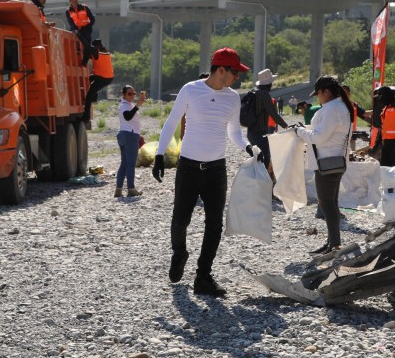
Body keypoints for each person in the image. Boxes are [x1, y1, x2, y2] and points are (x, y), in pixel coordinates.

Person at [153, 47, 254, 297]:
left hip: (216, 169)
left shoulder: (232, 98)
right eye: (234, 73)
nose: (237, 78)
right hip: (188, 167)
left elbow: (234, 134)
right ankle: (179, 252)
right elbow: (172, 121)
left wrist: (249, 147)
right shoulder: (190, 90)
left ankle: (203, 277)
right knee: (180, 220)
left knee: (214, 225)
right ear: (221, 70)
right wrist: (158, 154)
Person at [295, 76, 354, 256]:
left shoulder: (332, 109)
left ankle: (334, 245)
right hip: (335, 161)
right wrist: (305, 130)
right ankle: (332, 242)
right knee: (331, 203)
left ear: (326, 92)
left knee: (326, 204)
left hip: (327, 163)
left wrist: (299, 131)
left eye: (318, 94)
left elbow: (320, 137)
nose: (317, 98)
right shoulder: (339, 107)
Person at [246, 69, 288, 171]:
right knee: (265, 159)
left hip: (250, 132)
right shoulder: (263, 94)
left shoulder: (253, 92)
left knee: (257, 158)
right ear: (268, 83)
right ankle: (263, 183)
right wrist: (286, 126)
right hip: (259, 134)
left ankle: (257, 181)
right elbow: (273, 113)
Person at [115, 85, 147, 198]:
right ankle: (131, 188)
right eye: (129, 93)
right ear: (123, 95)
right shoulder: (124, 105)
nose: (132, 95)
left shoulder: (129, 105)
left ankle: (118, 190)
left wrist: (139, 135)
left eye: (133, 93)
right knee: (130, 164)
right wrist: (138, 105)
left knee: (124, 163)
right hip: (129, 135)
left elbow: (131, 121)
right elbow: (127, 117)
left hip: (127, 135)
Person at [83, 40, 115, 123]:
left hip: (103, 78)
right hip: (105, 77)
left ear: (96, 46)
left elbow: (87, 45)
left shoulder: (97, 53)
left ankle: (86, 117)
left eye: (94, 47)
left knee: (89, 96)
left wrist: (78, 34)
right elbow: (92, 56)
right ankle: (95, 96)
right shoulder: (104, 52)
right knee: (90, 79)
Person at [65, 0, 96, 65]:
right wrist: (75, 29)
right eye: (72, 1)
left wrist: (89, 25)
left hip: (86, 28)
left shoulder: (84, 7)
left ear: (77, 0)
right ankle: (77, 52)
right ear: (70, 1)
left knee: (87, 45)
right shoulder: (68, 11)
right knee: (71, 41)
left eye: (75, 0)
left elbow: (92, 18)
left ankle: (85, 62)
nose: (74, 2)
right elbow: (70, 22)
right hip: (76, 29)